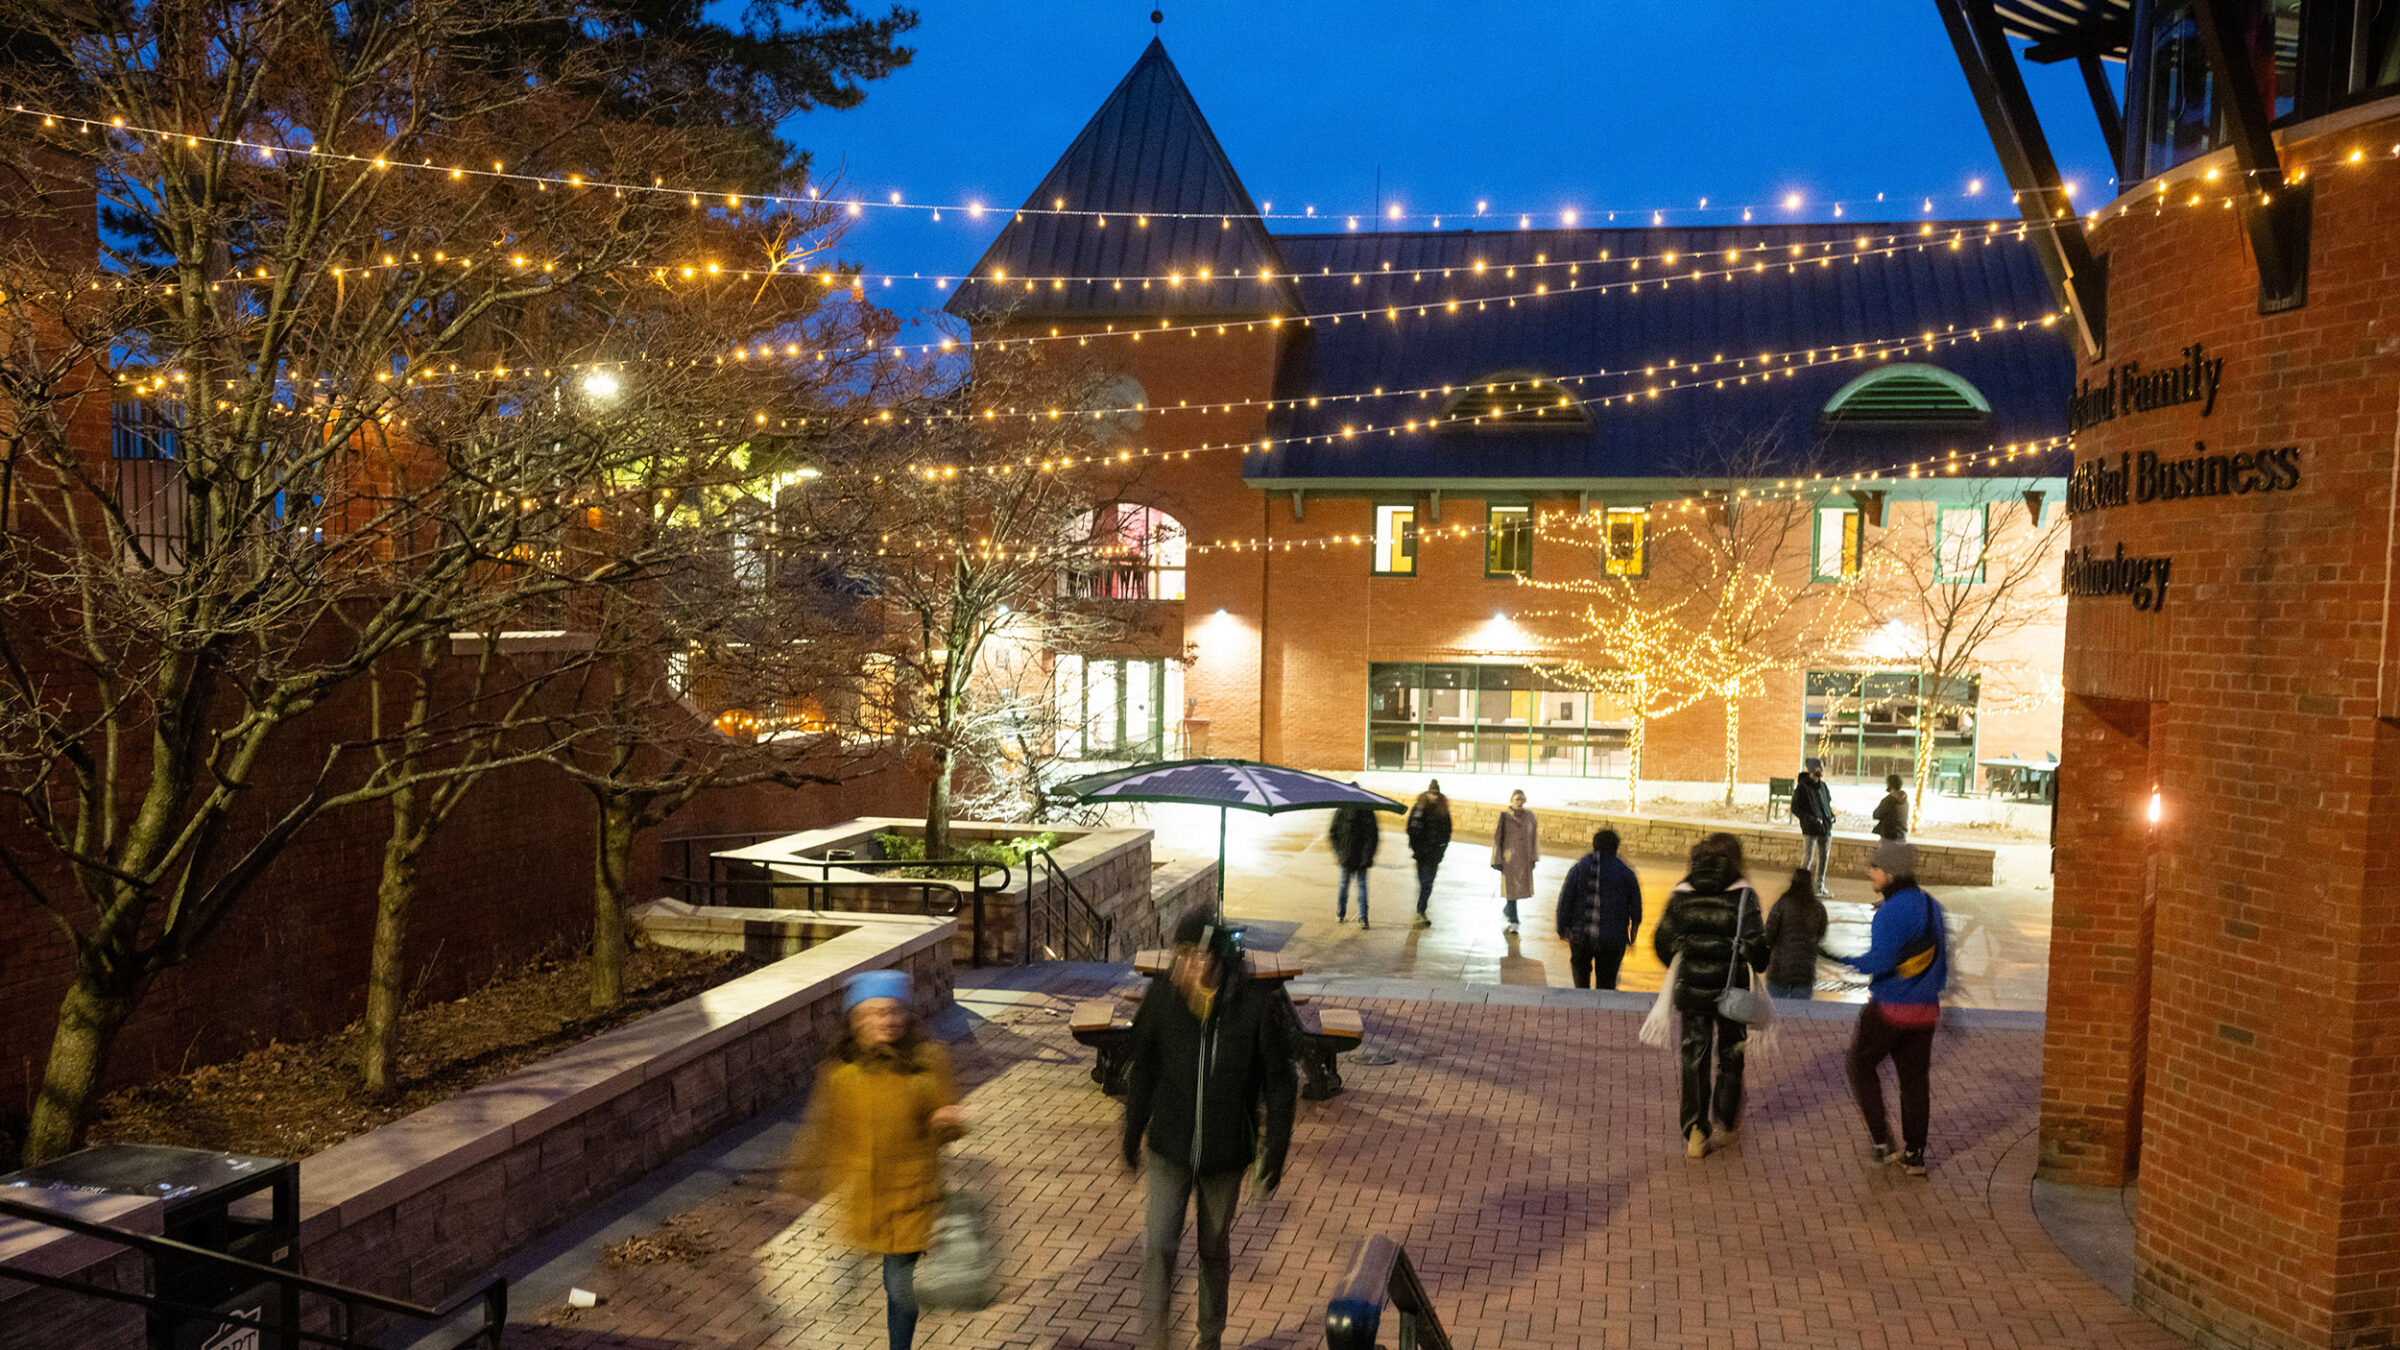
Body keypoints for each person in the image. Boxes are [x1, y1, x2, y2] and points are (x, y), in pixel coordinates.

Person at [1124, 912, 1298, 1350]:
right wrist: (1132, 1129)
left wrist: (1274, 1151)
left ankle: (1210, 1338)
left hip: (1225, 1154)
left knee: (1212, 1249)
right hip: (1169, 1146)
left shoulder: (1254, 1005)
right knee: (1159, 1245)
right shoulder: (1163, 998)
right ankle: (1154, 1341)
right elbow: (1143, 1065)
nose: (1186, 966)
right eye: (1180, 956)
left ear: (1219, 959)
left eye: (1196, 956)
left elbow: (1280, 1081)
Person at [784, 971, 965, 1350]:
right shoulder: (841, 1073)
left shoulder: (928, 1061)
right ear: (856, 1019)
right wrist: (799, 1184)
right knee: (875, 1273)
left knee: (898, 1284)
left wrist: (948, 1123)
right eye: (877, 1013)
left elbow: (948, 1122)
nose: (887, 1020)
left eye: (894, 1011)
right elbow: (820, 1130)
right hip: (865, 1196)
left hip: (912, 1196)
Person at [1834, 840, 1949, 1177]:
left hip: (1889, 1009)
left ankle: (1883, 1143)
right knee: (1914, 1081)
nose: (1870, 873)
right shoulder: (1932, 906)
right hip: (1925, 1011)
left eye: (1876, 868)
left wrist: (1845, 960)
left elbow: (1881, 962)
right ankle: (1915, 1155)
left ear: (1891, 873)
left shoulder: (1888, 913)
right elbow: (1942, 962)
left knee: (1860, 1064)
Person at [1651, 833, 1769, 1159]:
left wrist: (1686, 962)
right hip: (1733, 991)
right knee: (1731, 1054)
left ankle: (1695, 1132)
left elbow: (1662, 940)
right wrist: (1748, 955)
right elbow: (1758, 950)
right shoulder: (1744, 895)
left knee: (1694, 1057)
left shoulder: (1682, 893)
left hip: (1692, 992)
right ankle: (1726, 1122)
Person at [1555, 828, 1642, 989]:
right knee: (1606, 983)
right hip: (1613, 938)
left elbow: (1565, 900)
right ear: (1616, 847)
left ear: (1594, 845)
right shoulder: (1625, 872)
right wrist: (1632, 935)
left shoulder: (1580, 868)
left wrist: (1562, 928)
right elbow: (1636, 907)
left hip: (1581, 935)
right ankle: (1602, 1010)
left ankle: (1582, 1006)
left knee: (1581, 978)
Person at [1762, 867, 1828, 1000]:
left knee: (1776, 1013)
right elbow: (1820, 935)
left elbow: (1769, 934)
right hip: (1805, 971)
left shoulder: (1781, 904)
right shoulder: (1818, 908)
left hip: (1780, 970)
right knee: (1799, 1015)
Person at [1489, 789, 1539, 934]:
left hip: (1524, 859)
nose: (1519, 802)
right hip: (1509, 859)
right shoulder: (1504, 817)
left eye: (1522, 799)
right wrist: (1496, 859)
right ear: (1511, 800)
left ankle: (1507, 911)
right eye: (1517, 799)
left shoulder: (1529, 816)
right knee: (1510, 891)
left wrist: (1534, 857)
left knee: (1519, 891)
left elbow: (1534, 837)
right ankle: (1514, 921)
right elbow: (1498, 838)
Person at [1403, 779, 1452, 927]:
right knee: (1424, 882)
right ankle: (1421, 909)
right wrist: (1416, 847)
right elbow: (1410, 828)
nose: (1433, 797)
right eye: (1431, 793)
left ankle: (1421, 910)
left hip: (1434, 853)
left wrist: (1441, 850)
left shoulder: (1443, 811)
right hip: (1421, 853)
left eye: (1435, 794)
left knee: (1428, 883)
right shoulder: (1419, 808)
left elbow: (1447, 832)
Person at [1327, 798, 1380, 929]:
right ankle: (1363, 918)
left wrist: (1339, 852)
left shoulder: (1341, 811)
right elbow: (1374, 836)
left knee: (1344, 885)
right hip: (1361, 858)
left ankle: (1341, 912)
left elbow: (1332, 833)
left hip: (1347, 857)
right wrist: (1369, 855)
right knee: (1361, 887)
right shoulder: (1368, 812)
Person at [1791, 758, 1836, 897]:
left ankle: (1819, 887)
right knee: (1808, 859)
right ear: (1811, 769)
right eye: (1819, 767)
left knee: (1824, 859)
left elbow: (1826, 804)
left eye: (1822, 767)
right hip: (1811, 829)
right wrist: (1811, 820)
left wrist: (1831, 816)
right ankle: (1801, 888)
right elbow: (1796, 808)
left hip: (1825, 828)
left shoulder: (1823, 786)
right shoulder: (1803, 787)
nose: (1822, 770)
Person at [1872, 773, 1910, 841]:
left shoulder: (1888, 801)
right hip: (1902, 837)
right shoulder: (1905, 800)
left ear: (1889, 785)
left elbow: (1876, 815)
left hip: (1889, 838)